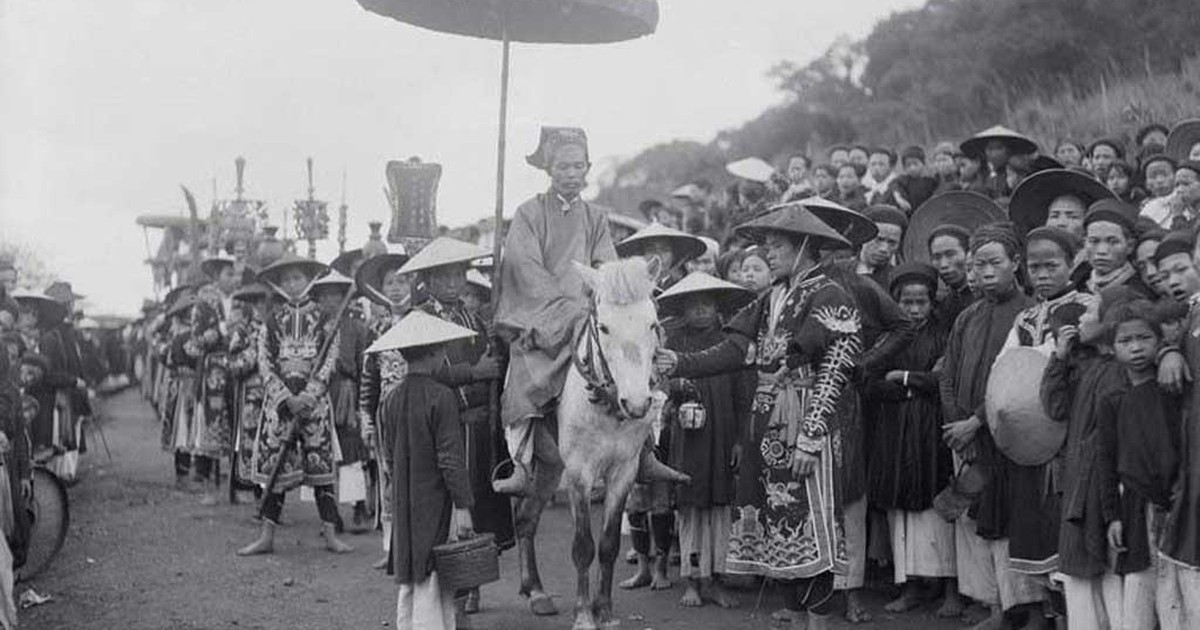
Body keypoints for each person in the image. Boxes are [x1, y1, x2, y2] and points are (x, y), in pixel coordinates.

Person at [654, 203, 861, 630]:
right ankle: (800, 617)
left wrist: (811, 437)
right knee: (774, 519)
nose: (768, 253)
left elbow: (835, 370)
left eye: (777, 245)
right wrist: (679, 361)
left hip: (805, 420)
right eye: (766, 245)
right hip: (766, 421)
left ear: (805, 246)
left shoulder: (830, 295)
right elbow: (735, 350)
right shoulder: (772, 297)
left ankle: (818, 625)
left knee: (810, 522)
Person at [492, 126, 617, 497]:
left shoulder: (596, 217)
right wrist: (563, 307)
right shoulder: (528, 213)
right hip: (540, 316)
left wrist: (601, 294)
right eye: (563, 167)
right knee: (520, 377)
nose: (572, 174)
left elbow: (606, 264)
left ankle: (641, 451)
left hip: (586, 314)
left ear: (588, 168)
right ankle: (521, 461)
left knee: (630, 365)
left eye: (578, 166)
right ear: (550, 169)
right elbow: (524, 267)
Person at [399, 237, 511, 615]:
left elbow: (491, 361)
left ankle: (471, 582)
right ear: (427, 280)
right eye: (442, 276)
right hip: (445, 426)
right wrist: (472, 372)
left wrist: (497, 346)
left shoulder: (471, 316)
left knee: (479, 505)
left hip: (478, 425)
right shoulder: (419, 319)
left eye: (457, 274)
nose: (451, 283)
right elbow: (422, 376)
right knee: (451, 510)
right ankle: (449, 599)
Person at [939, 223, 1038, 630]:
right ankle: (994, 603)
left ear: (1015, 263)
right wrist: (954, 424)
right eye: (977, 264)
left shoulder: (1029, 313)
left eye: (994, 262)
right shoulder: (967, 316)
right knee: (974, 517)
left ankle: (1026, 609)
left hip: (1007, 433)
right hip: (962, 434)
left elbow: (1020, 379)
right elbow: (948, 373)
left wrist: (976, 421)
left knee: (1012, 518)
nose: (985, 272)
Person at [237, 253, 353, 556]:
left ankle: (330, 534)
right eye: (286, 279)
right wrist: (284, 397)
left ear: (309, 279)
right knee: (275, 466)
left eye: (297, 278)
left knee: (321, 466)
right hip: (281, 405)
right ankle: (266, 536)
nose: (292, 284)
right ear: (279, 283)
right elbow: (264, 362)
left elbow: (329, 361)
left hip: (315, 404)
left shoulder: (326, 319)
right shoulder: (273, 321)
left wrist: (309, 396)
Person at [371, 311, 476, 630]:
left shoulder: (390, 398)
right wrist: (463, 505)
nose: (444, 355)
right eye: (442, 350)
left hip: (404, 494)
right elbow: (450, 459)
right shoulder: (441, 397)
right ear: (434, 353)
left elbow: (388, 453)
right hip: (433, 498)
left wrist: (393, 486)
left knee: (411, 570)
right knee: (434, 567)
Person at [653, 273, 753, 609]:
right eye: (693, 305)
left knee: (720, 507)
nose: (700, 311)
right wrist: (679, 388)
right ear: (683, 309)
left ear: (717, 307)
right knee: (692, 506)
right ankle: (692, 580)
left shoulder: (731, 343)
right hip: (688, 436)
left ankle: (716, 580)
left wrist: (740, 439)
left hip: (724, 433)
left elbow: (743, 395)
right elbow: (661, 385)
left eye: (707, 304)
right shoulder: (674, 343)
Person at [866, 262, 960, 617]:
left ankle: (951, 588)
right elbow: (870, 381)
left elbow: (945, 379)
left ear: (932, 302)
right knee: (901, 513)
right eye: (908, 302)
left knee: (938, 506)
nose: (915, 309)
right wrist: (910, 388)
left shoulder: (945, 334)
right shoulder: (886, 337)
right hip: (893, 429)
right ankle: (910, 587)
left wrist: (905, 377)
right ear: (896, 302)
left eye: (922, 302)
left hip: (931, 430)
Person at [1094, 300, 1180, 628]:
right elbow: (1107, 460)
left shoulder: (1172, 388)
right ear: (1111, 347)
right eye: (1125, 341)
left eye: (1144, 338)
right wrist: (1112, 515)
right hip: (1133, 506)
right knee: (1139, 588)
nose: (1136, 348)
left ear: (1159, 341)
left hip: (1177, 502)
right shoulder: (1112, 402)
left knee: (1177, 589)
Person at [357, 251, 414, 568]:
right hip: (386, 415)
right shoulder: (375, 329)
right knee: (389, 479)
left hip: (417, 411)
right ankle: (391, 547)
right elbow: (368, 378)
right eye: (389, 282)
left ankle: (413, 545)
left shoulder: (422, 322)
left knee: (416, 478)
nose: (395, 288)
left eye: (401, 280)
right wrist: (366, 418)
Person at [1154, 234, 1200, 628]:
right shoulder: (1188, 318)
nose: (1173, 280)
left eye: (1181, 269)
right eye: (1164, 274)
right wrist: (1168, 351)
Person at [311, 270, 373, 529]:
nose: (330, 300)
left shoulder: (357, 328)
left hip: (346, 394)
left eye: (335, 294)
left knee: (350, 451)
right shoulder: (313, 328)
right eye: (325, 295)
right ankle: (329, 513)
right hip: (319, 394)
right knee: (320, 450)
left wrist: (361, 402)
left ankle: (358, 506)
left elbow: (364, 366)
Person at [184, 255, 240, 505]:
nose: (234, 279)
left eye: (235, 274)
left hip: (239, 368)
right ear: (217, 277)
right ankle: (210, 486)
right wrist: (216, 333)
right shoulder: (204, 304)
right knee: (212, 423)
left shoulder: (242, 302)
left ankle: (237, 486)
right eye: (229, 274)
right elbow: (193, 343)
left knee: (239, 421)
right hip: (213, 371)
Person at [1080, 200, 1152, 297]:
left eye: (1113, 242)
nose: (1102, 251)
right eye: (1094, 241)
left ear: (1130, 246)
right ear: (1084, 243)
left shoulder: (1139, 294)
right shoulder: (1078, 285)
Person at [927, 225, 977, 324]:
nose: (944, 264)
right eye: (937, 257)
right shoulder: (941, 306)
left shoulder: (988, 299)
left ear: (969, 254)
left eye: (950, 255)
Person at [858, 205, 907, 289]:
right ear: (864, 236)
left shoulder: (900, 281)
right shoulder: (839, 271)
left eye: (892, 243)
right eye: (879, 240)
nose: (884, 249)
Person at [890, 145, 939, 213]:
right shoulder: (903, 180)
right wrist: (899, 199)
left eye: (915, 164)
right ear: (904, 168)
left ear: (923, 163)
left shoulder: (931, 182)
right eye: (908, 165)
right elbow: (895, 187)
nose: (912, 168)